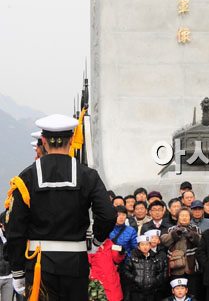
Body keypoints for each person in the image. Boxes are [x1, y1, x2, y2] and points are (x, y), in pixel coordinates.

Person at [4, 113, 116, 301]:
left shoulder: (26, 178)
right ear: (71, 140)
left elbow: (15, 229)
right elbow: (108, 215)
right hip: (76, 264)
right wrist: (95, 242)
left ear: (43, 141)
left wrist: (17, 271)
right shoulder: (87, 175)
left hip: (39, 263)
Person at [161, 208, 201, 296]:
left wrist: (190, 234)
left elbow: (201, 242)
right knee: (176, 292)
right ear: (178, 217)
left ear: (190, 217)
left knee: (192, 293)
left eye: (186, 216)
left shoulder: (195, 229)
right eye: (182, 215)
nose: (184, 218)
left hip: (192, 266)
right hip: (175, 266)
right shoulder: (171, 229)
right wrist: (175, 234)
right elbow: (164, 241)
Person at [124, 234, 167, 301]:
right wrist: (134, 279)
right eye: (142, 244)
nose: (145, 247)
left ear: (150, 246)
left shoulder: (155, 258)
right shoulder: (132, 258)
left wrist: (155, 281)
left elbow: (161, 272)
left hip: (151, 292)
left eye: (147, 244)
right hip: (136, 292)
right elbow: (126, 271)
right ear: (138, 247)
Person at [88, 236, 124, 301]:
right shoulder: (90, 245)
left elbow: (117, 259)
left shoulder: (109, 243)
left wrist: (121, 253)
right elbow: (87, 262)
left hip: (111, 278)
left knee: (113, 297)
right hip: (97, 279)